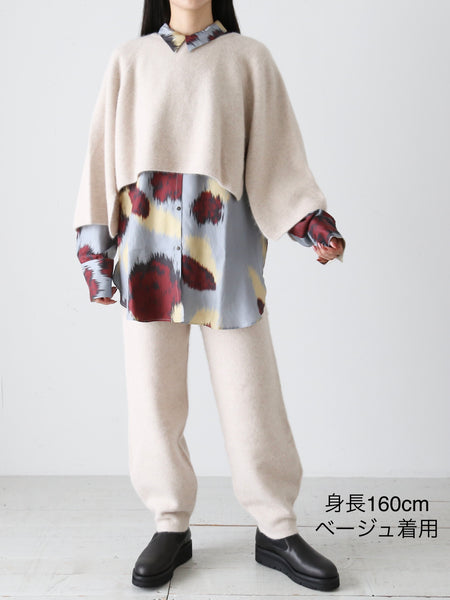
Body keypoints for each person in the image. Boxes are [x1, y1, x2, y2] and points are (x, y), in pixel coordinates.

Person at [73, 0, 346, 592]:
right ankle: (170, 523)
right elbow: (100, 162)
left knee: (252, 396)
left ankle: (277, 528)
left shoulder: (249, 59)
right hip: (145, 252)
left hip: (227, 250)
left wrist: (312, 227)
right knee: (154, 398)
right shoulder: (129, 61)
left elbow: (277, 161)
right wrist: (96, 255)